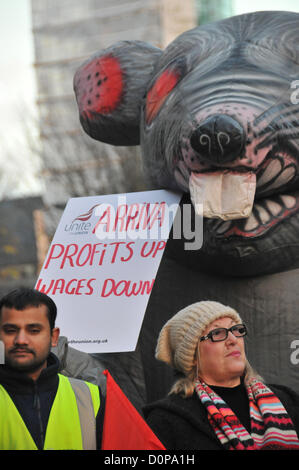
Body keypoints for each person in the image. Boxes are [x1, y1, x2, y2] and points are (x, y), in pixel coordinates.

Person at [143, 300, 299, 450]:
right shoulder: (167, 420)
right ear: (193, 357)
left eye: (236, 329)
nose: (233, 339)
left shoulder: (287, 401)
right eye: (217, 333)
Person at [0, 287, 105, 450]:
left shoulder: (91, 397)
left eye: (34, 330)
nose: (21, 340)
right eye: (10, 330)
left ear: (54, 336)